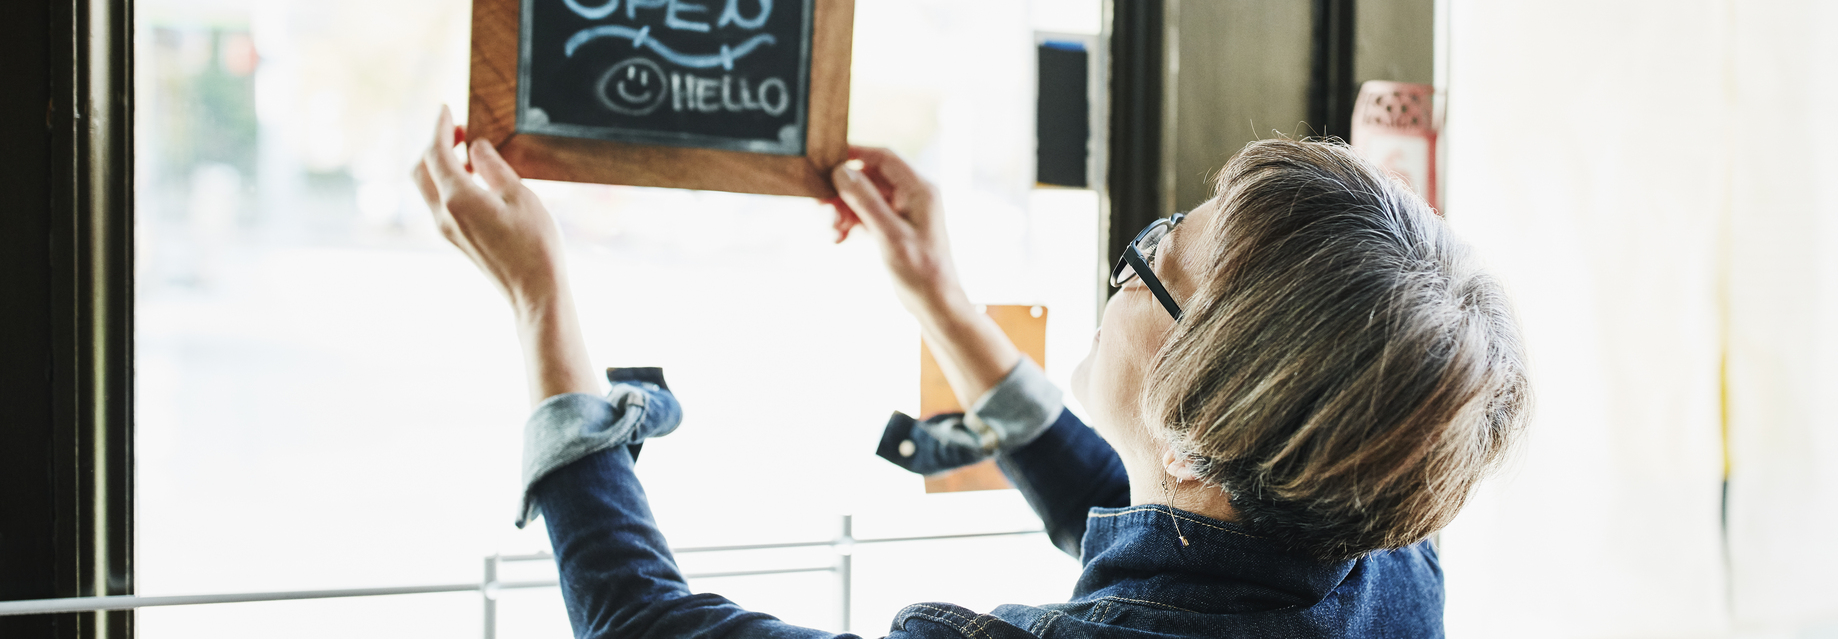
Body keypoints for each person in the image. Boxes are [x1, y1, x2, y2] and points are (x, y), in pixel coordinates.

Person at [413, 106, 1529, 639]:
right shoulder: (1384, 555)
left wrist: (539, 298)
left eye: (1157, 264)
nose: (1125, 268)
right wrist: (940, 298)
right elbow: (1179, 543)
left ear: (1200, 429)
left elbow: (642, 627)